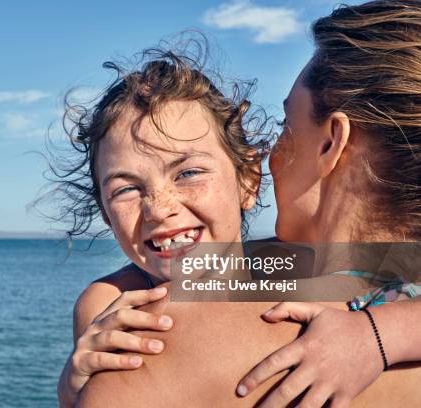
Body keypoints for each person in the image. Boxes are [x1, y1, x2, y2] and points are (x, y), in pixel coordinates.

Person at [78, 1, 421, 406]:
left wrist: (81, 390)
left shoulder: (151, 360)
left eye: (286, 126)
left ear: (331, 142)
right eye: (125, 189)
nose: (271, 153)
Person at [51, 45, 271, 407]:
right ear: (106, 214)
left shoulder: (295, 264)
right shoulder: (116, 306)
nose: (158, 209)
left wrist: (374, 338)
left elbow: (396, 279)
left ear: (247, 180)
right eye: (126, 189)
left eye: (188, 173)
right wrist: (72, 392)